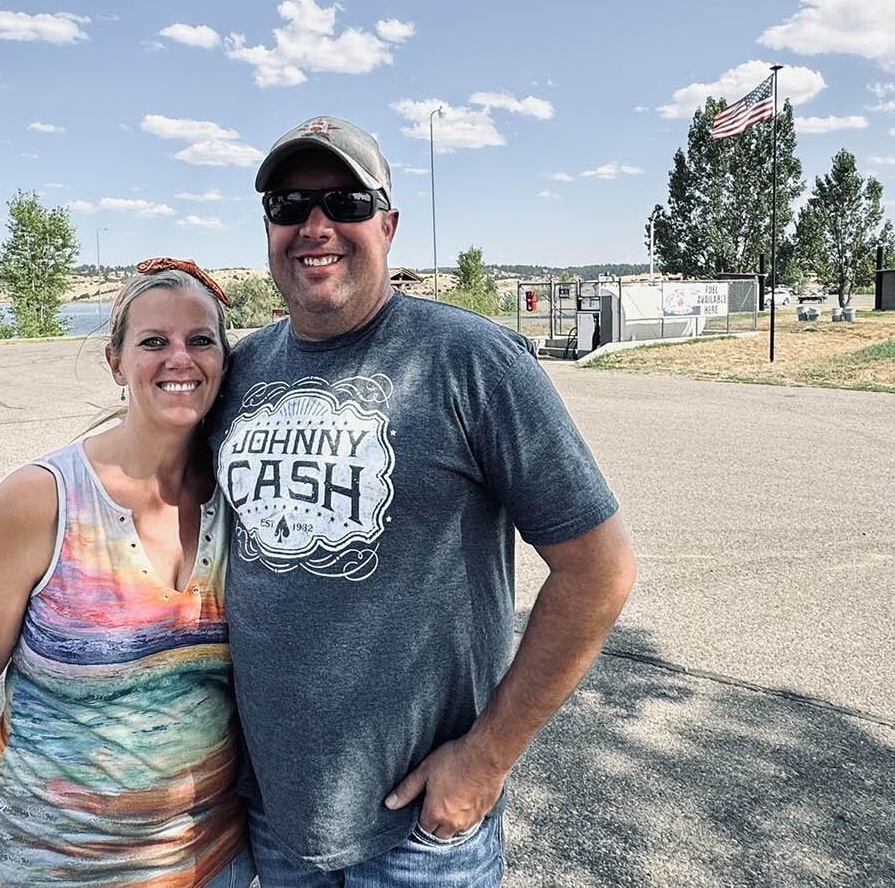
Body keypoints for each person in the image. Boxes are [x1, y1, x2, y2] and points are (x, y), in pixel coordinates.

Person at [210, 115, 637, 885]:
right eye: (287, 205)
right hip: (274, 817)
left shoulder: (472, 360)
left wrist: (485, 760)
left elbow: (599, 570)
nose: (315, 226)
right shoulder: (239, 373)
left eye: (344, 202)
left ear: (388, 223)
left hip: (420, 838)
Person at [0, 260, 256, 888]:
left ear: (224, 360)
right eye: (154, 342)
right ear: (115, 361)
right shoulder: (44, 501)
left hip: (214, 866)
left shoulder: (244, 499)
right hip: (48, 868)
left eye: (200, 340)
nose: (180, 358)